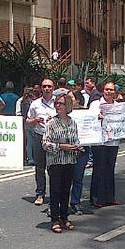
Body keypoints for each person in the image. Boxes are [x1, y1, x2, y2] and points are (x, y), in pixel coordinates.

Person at [42, 94, 81, 233]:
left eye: (61, 103)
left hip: (70, 161)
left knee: (66, 190)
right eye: (57, 103)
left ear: (68, 106)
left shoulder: (72, 122)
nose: (58, 105)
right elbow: (45, 144)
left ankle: (64, 217)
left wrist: (76, 147)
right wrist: (60, 146)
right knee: (56, 191)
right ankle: (55, 219)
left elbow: (76, 139)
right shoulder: (51, 123)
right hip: (56, 162)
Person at [89, 81, 120, 207]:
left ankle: (109, 197)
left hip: (113, 142)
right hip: (99, 141)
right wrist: (98, 117)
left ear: (115, 92)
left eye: (111, 90)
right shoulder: (95, 104)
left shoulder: (118, 106)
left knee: (110, 169)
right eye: (106, 89)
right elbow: (89, 119)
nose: (108, 91)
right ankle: (96, 198)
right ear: (103, 90)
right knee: (99, 169)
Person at [26, 78, 56, 206]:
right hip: (39, 137)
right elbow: (28, 120)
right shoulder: (35, 104)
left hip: (55, 139)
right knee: (40, 167)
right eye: (44, 86)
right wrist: (35, 120)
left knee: (55, 168)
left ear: (53, 88)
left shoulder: (59, 103)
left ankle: (55, 195)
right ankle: (40, 194)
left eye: (49, 86)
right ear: (41, 88)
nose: (47, 89)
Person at [16, 86, 36, 165]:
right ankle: (31, 158)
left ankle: (30, 158)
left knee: (29, 141)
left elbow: (18, 113)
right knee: (32, 141)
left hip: (26, 123)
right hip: (32, 123)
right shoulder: (34, 101)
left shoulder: (20, 101)